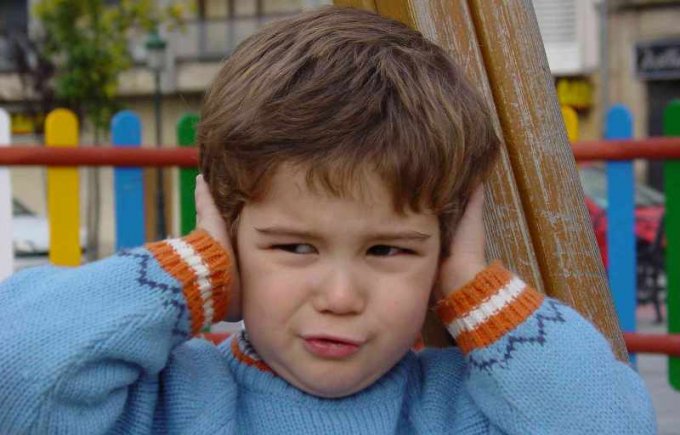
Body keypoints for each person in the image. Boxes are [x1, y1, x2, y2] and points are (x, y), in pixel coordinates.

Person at [0, 6, 655, 434]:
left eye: (388, 251)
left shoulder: (459, 406)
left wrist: (471, 285)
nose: (340, 297)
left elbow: (612, 423)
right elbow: (18, 367)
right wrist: (196, 272)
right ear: (229, 235)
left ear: (441, 252)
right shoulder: (169, 400)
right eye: (293, 246)